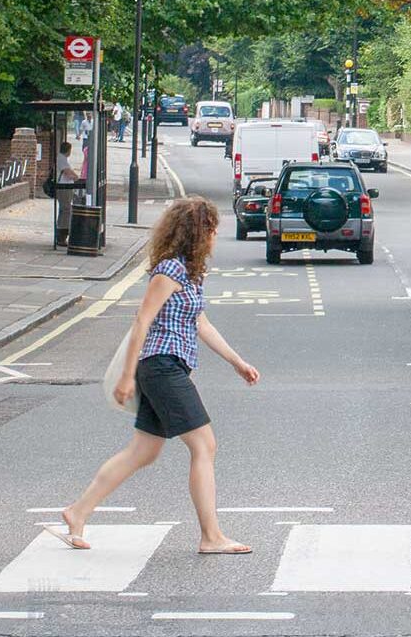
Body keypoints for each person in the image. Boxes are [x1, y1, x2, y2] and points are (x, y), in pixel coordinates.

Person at [46, 197, 260, 554]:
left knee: (143, 451)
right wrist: (127, 376)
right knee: (205, 445)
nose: (216, 237)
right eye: (212, 230)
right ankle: (211, 536)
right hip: (160, 365)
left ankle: (77, 511)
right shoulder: (168, 272)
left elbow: (200, 323)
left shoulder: (192, 273)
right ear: (197, 232)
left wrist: (236, 362)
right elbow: (141, 321)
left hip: (170, 365)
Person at [55, 142, 80, 245]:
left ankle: (62, 233)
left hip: (65, 187)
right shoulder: (61, 159)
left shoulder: (62, 158)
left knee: (64, 210)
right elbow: (67, 172)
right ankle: (62, 235)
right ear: (68, 150)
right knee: (66, 210)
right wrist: (76, 177)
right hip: (64, 188)